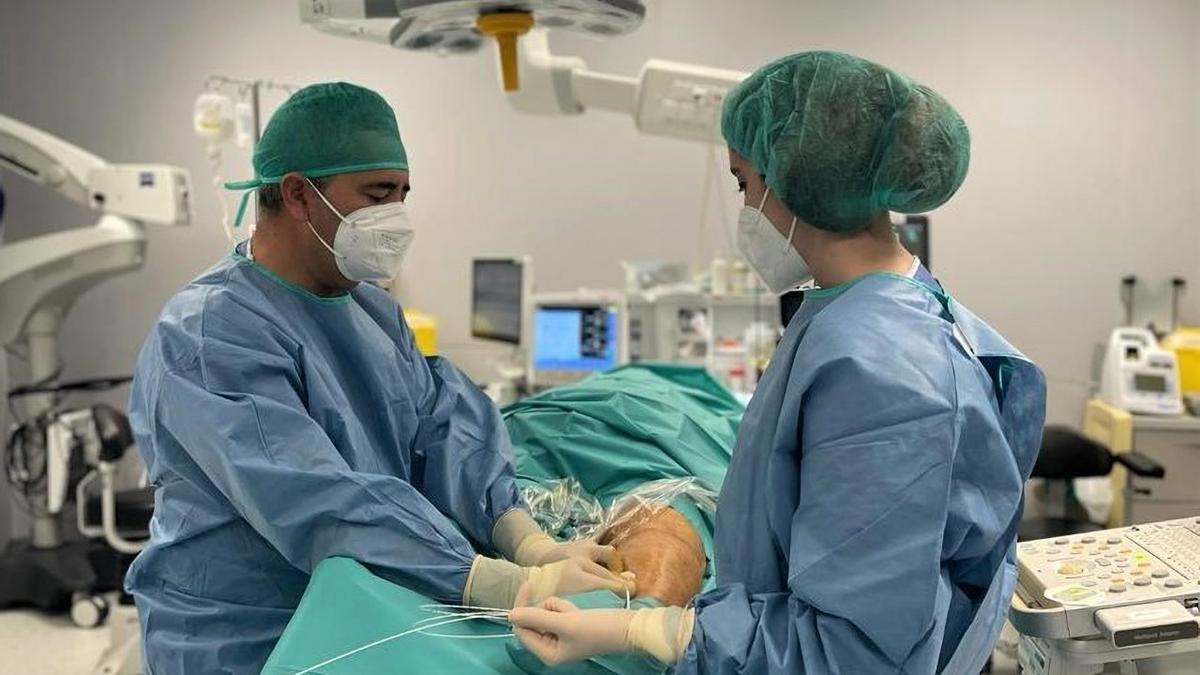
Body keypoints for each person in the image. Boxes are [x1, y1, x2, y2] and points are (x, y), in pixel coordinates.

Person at [509, 51, 1047, 674]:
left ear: (797, 178)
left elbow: (852, 655)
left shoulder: (883, 374)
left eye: (743, 182)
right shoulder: (870, 308)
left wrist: (647, 631)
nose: (744, 208)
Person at [126, 82, 629, 674]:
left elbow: (443, 431)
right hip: (251, 635)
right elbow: (312, 497)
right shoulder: (209, 334)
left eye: (403, 193)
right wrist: (496, 582)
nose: (396, 215)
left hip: (368, 605)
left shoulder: (371, 311)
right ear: (297, 193)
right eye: (377, 193)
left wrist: (527, 540)